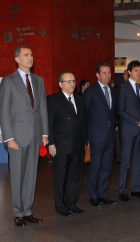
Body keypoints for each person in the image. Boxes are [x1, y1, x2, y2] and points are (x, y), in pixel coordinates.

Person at [0, 45, 49, 226]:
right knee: (18, 175)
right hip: (17, 136)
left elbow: (42, 108)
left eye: (31, 54)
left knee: (31, 175)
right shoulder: (8, 81)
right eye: (26, 55)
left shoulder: (38, 81)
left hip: (35, 136)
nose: (30, 57)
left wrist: (44, 134)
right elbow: (4, 112)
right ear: (17, 59)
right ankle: (17, 212)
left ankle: (27, 210)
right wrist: (8, 137)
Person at [47, 71, 87, 216]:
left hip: (78, 144)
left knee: (76, 177)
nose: (72, 84)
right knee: (61, 177)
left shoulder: (80, 100)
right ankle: (60, 205)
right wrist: (51, 143)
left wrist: (86, 140)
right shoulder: (53, 100)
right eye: (68, 81)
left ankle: (72, 203)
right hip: (61, 145)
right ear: (60, 84)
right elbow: (49, 123)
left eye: (73, 81)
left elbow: (83, 123)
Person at [84, 62, 118, 207]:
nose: (108, 75)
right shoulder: (90, 91)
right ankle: (94, 196)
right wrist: (86, 138)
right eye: (104, 72)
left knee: (107, 166)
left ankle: (103, 194)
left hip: (110, 135)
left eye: (109, 72)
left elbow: (113, 112)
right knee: (95, 167)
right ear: (97, 75)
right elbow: (85, 115)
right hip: (96, 136)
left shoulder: (113, 91)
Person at [117, 60, 140, 202]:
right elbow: (121, 110)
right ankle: (123, 190)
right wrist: (137, 122)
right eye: (136, 70)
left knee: (137, 160)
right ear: (129, 72)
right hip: (129, 130)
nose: (138, 73)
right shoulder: (122, 88)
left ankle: (136, 188)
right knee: (125, 161)